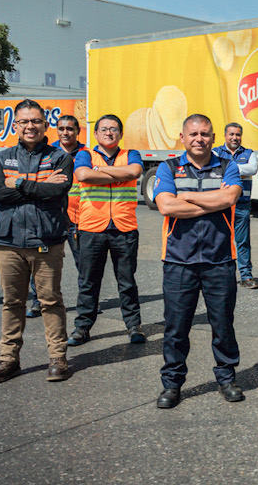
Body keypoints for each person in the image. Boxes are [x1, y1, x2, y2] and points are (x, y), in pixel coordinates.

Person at [152, 114, 245, 407]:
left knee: (223, 325)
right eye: (193, 134)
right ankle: (172, 385)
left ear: (213, 138)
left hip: (220, 260)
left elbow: (229, 199)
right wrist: (210, 201)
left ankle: (227, 378)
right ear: (182, 137)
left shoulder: (228, 166)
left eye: (205, 134)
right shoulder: (168, 167)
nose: (199, 139)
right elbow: (166, 205)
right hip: (179, 261)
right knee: (176, 328)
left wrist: (187, 197)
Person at [0, 99, 75, 384]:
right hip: (8, 240)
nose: (30, 126)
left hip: (46, 239)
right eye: (24, 121)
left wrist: (20, 183)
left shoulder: (60, 157)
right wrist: (39, 186)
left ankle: (58, 358)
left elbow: (58, 191)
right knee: (12, 301)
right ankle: (8, 359)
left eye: (35, 121)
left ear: (45, 125)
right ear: (16, 125)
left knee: (50, 300)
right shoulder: (1, 158)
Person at [67, 114, 146, 347]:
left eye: (113, 129)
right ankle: (82, 327)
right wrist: (115, 175)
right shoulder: (84, 155)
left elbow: (134, 173)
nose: (108, 133)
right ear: (96, 134)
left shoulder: (131, 154)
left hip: (124, 227)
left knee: (127, 281)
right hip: (91, 227)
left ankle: (134, 326)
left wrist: (99, 171)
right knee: (88, 281)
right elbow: (82, 174)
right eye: (103, 129)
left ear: (121, 133)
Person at [28, 115, 84, 318]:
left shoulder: (87, 154)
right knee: (42, 264)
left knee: (84, 265)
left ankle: (86, 302)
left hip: (79, 219)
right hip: (51, 217)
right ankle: (37, 302)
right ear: (56, 130)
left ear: (78, 130)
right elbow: (37, 182)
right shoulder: (46, 154)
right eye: (61, 129)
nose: (65, 132)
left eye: (70, 128)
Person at [213, 122, 258, 289]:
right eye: (231, 134)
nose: (235, 137)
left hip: (241, 205)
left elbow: (252, 169)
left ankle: (246, 276)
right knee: (220, 241)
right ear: (225, 136)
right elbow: (214, 170)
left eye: (238, 134)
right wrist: (239, 170)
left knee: (242, 242)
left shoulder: (248, 153)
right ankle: (219, 277)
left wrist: (227, 168)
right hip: (221, 205)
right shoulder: (215, 152)